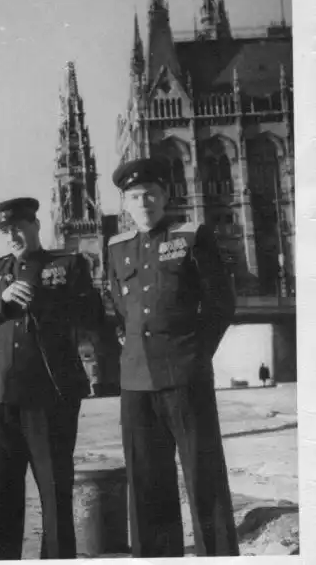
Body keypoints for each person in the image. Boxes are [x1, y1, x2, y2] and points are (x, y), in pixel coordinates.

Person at [108, 158, 239, 558]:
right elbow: (119, 309)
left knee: (203, 476)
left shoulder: (192, 236)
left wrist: (196, 355)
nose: (143, 202)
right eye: (134, 196)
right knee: (147, 483)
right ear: (125, 203)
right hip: (136, 381)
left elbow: (220, 304)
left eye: (150, 193)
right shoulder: (117, 248)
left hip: (185, 375)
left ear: (164, 196)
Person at [0, 197, 104, 560]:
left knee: (55, 494)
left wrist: (45, 301)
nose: (13, 236)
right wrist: (2, 300)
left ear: (36, 225)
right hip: (1, 397)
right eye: (6, 231)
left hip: (50, 397)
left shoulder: (68, 265)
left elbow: (92, 315)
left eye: (19, 228)